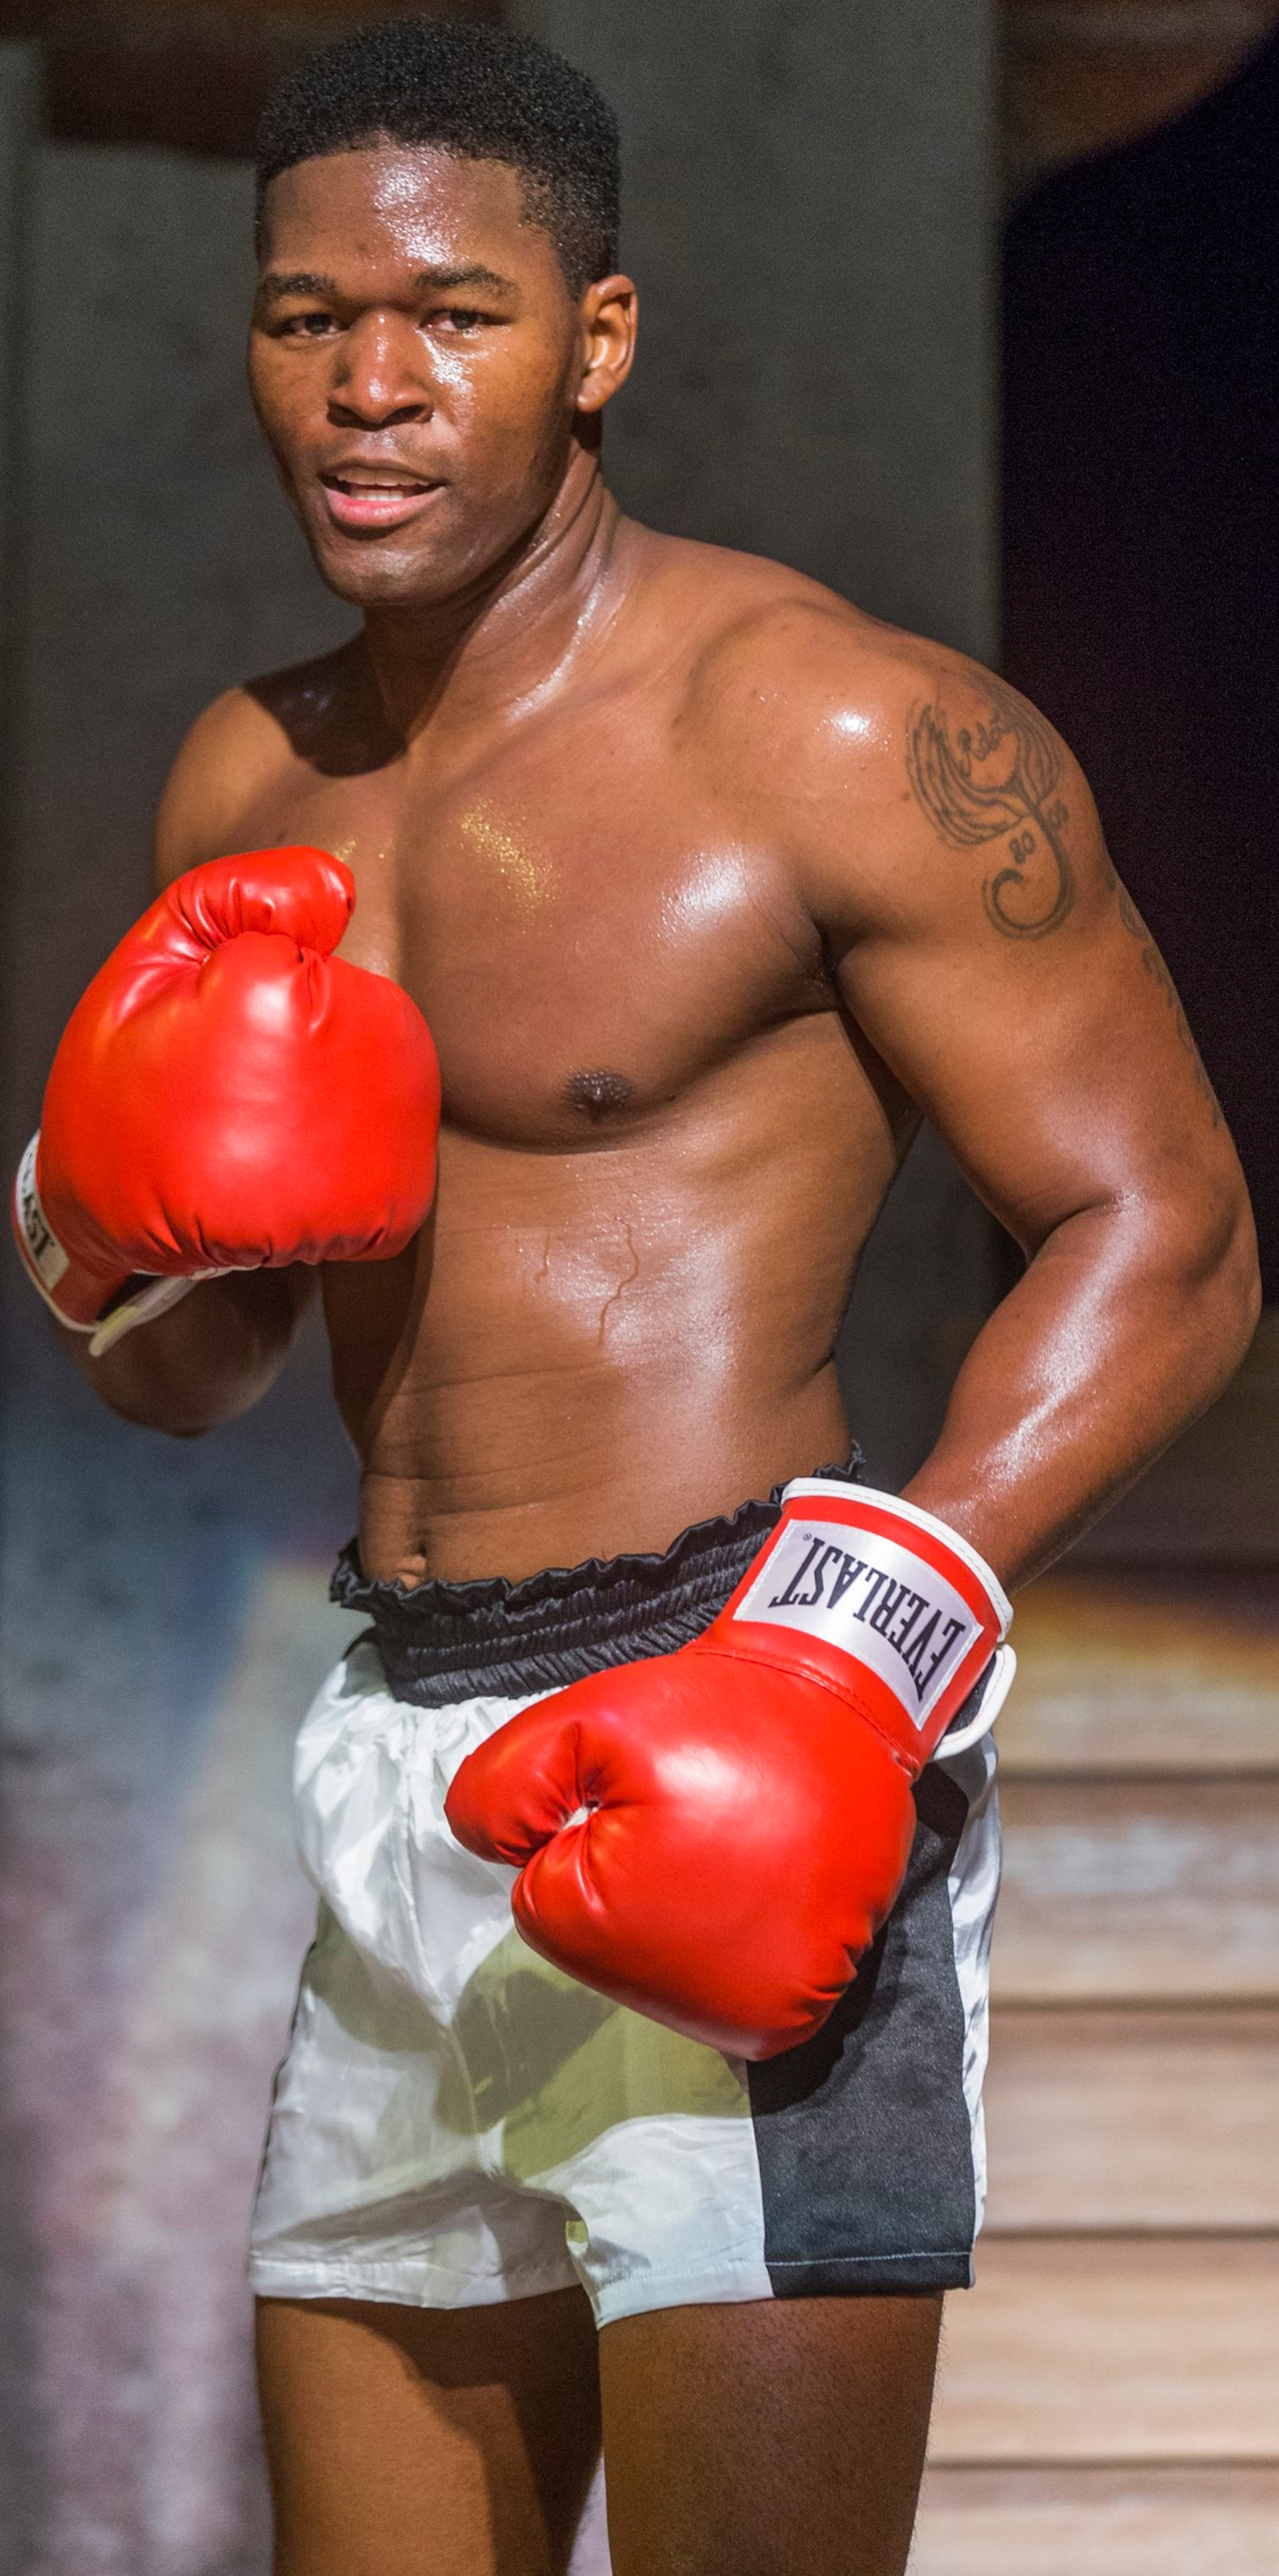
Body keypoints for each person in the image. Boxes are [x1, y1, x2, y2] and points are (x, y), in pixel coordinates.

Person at [12, 19, 1258, 2575]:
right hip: (398, 1766)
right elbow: (200, 1362)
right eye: (303, 315)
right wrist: (86, 1221)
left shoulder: (828, 726)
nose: (368, 387)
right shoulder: (247, 782)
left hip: (741, 1693)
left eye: (453, 316)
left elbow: (1174, 1236)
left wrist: (841, 1659)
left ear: (597, 340)